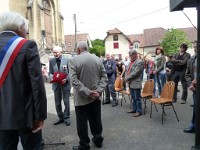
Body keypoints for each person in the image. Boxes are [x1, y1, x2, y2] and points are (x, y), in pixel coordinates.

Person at [0, 11, 47, 150]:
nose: (26, 32)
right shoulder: (27, 45)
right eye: (26, 28)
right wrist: (40, 115)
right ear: (19, 27)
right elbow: (37, 84)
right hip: (26, 116)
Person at [68, 41, 108, 150]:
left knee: (82, 123)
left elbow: (74, 81)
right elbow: (104, 77)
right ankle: (98, 139)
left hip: (81, 98)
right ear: (87, 48)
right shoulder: (98, 59)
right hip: (96, 96)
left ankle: (84, 144)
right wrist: (98, 91)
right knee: (96, 119)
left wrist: (87, 92)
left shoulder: (73, 60)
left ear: (78, 50)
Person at [49, 46, 71, 126]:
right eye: (54, 52)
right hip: (56, 85)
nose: (55, 54)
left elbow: (71, 72)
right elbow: (50, 72)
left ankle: (67, 117)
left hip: (65, 84)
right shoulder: (51, 61)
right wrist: (52, 78)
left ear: (60, 52)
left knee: (66, 102)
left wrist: (67, 79)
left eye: (56, 52)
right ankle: (60, 117)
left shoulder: (67, 60)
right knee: (57, 103)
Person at [183, 41, 197, 133]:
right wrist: (190, 84)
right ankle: (194, 126)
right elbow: (187, 74)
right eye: (194, 46)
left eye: (197, 45)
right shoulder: (192, 59)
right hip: (195, 88)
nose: (195, 47)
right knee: (196, 108)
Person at [126, 49, 144, 117]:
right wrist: (127, 78)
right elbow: (127, 71)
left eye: (131, 55)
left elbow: (135, 73)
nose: (130, 57)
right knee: (133, 97)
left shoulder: (139, 62)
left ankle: (139, 111)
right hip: (131, 82)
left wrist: (127, 78)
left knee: (137, 98)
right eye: (129, 55)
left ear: (135, 55)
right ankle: (134, 109)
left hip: (136, 82)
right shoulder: (131, 62)